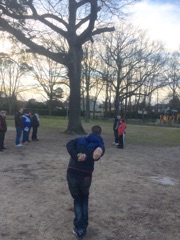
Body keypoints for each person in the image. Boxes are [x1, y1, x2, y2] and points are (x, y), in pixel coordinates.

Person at [66, 125, 105, 239]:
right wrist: (92, 155)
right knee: (84, 199)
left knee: (78, 200)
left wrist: (76, 155)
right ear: (100, 134)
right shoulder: (99, 143)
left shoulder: (80, 139)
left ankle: (79, 228)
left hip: (72, 173)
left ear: (90, 131)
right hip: (85, 176)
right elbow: (98, 154)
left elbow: (69, 144)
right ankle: (83, 227)